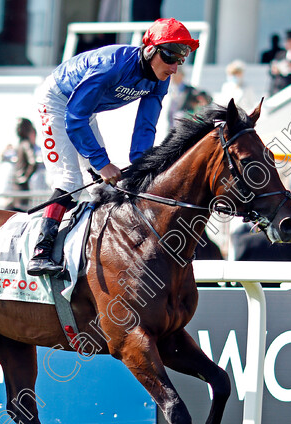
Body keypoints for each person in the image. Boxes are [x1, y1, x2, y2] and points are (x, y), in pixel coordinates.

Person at [27, 18, 199, 276]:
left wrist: (141, 168)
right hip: (58, 102)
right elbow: (74, 118)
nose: (174, 68)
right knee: (70, 179)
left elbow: (145, 127)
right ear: (150, 49)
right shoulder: (110, 66)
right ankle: (40, 251)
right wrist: (102, 162)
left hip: (84, 111)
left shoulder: (159, 79)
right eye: (170, 57)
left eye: (180, 60)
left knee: (101, 184)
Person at [5, 118, 38, 212]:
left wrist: (24, 177)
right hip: (16, 186)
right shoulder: (20, 144)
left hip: (21, 187)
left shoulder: (26, 144)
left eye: (20, 127)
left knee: (18, 212)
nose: (17, 129)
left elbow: (33, 162)